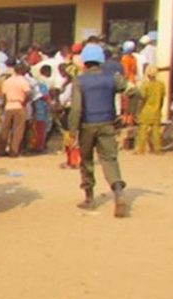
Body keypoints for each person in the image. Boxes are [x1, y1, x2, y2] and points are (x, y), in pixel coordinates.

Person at [68, 43, 128, 218]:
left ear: (85, 62)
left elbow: (76, 108)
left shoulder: (79, 80)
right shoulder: (112, 78)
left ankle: (89, 198)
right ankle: (118, 192)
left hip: (87, 125)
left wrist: (72, 130)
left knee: (86, 161)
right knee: (110, 159)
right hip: (107, 123)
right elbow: (131, 90)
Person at [0, 62, 31, 157]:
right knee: (18, 130)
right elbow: (28, 93)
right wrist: (25, 102)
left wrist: (3, 106)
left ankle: (2, 149)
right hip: (19, 105)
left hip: (8, 106)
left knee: (5, 129)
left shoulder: (7, 81)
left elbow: (3, 95)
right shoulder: (23, 81)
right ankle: (14, 151)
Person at [135, 66, 166, 155]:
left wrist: (138, 109)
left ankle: (141, 150)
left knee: (143, 131)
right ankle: (157, 149)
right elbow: (162, 99)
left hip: (146, 110)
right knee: (156, 132)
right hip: (156, 110)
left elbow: (142, 98)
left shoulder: (145, 85)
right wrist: (159, 108)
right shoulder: (161, 85)